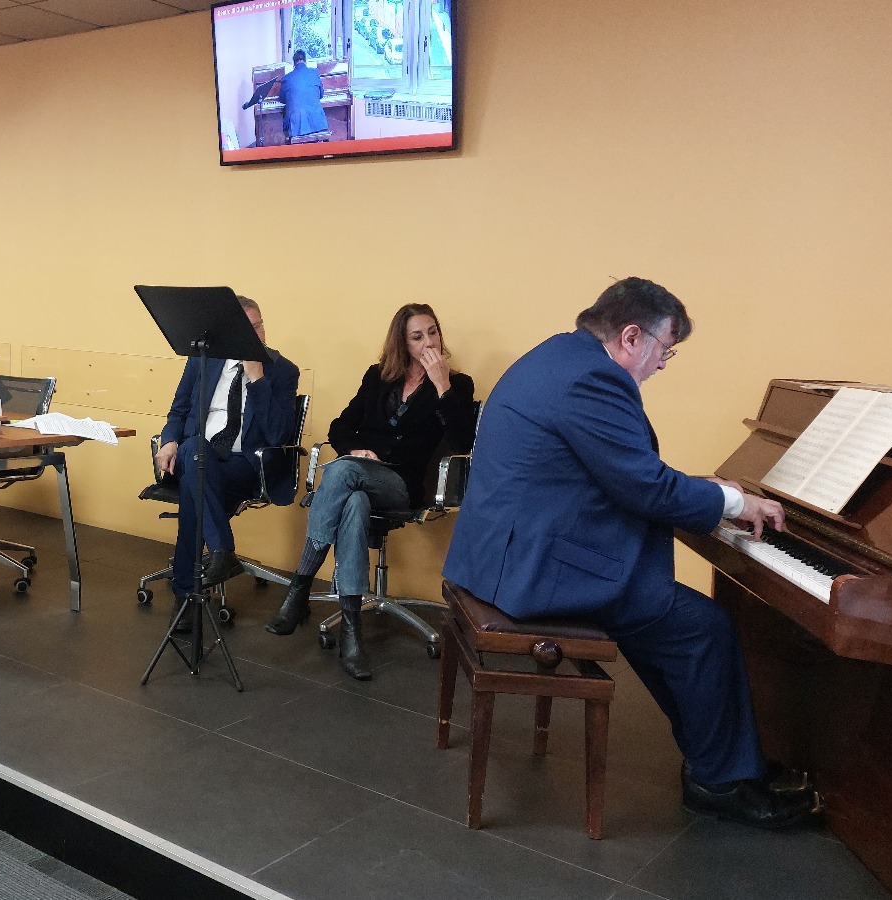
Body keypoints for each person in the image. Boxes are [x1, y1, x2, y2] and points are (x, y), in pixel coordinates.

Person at [441, 277, 821, 829]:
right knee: (703, 629)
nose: (664, 362)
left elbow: (615, 469)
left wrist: (701, 491)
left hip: (500, 553)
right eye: (667, 348)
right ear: (631, 336)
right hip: (530, 570)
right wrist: (734, 501)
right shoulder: (593, 379)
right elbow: (643, 487)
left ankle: (723, 756)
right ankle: (721, 781)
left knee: (661, 615)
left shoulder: (559, 356)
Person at [265, 303, 475, 679]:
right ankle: (352, 634)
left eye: (433, 332)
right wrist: (358, 451)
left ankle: (299, 587)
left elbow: (462, 442)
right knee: (355, 502)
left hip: (405, 486)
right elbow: (339, 427)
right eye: (417, 336)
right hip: (361, 477)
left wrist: (442, 385)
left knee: (343, 472)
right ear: (402, 342)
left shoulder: (457, 385)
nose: (429, 342)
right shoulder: (377, 377)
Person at [155, 296, 299, 632]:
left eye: (258, 327)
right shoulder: (202, 360)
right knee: (195, 454)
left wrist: (258, 380)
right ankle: (221, 551)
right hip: (196, 453)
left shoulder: (283, 371)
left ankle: (186, 594)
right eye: (246, 329)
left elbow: (278, 434)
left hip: (244, 465)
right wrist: (169, 440)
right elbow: (178, 410)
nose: (255, 335)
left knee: (194, 483)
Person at [279, 49, 330, 144]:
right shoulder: (315, 73)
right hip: (317, 123)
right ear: (306, 61)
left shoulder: (286, 78)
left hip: (296, 125)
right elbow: (321, 95)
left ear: (294, 63)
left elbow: (282, 99)